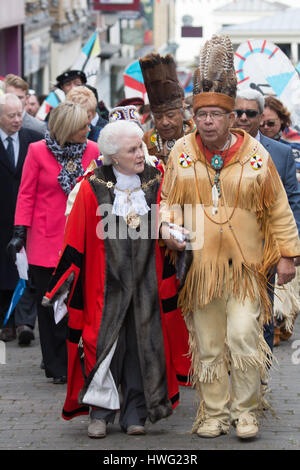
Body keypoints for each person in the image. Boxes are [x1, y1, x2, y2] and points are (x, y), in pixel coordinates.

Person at [159, 34, 300, 440]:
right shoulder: (180, 153)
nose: (207, 121)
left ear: (230, 118)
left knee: (242, 335)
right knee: (208, 344)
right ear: (194, 116)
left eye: (214, 115)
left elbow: (278, 207)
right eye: (200, 114)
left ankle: (246, 411)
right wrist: (167, 229)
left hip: (246, 267)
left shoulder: (256, 155)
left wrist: (289, 255)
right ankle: (213, 414)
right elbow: (167, 200)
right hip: (201, 268)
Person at [41, 120, 180, 438]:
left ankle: (136, 413)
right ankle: (100, 413)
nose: (140, 154)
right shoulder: (91, 188)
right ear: (113, 156)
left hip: (146, 283)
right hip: (105, 285)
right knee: (103, 346)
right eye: (132, 149)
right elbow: (74, 241)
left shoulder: (156, 183)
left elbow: (169, 219)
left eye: (140, 147)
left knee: (140, 346)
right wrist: (59, 285)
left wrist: (177, 235)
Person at [7, 101, 99, 382]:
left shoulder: (93, 150)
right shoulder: (38, 151)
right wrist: (20, 231)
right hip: (45, 240)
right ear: (68, 128)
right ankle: (55, 365)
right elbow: (26, 194)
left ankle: (78, 360)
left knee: (76, 304)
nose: (88, 128)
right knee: (48, 306)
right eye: (83, 125)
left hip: (81, 238)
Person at [234, 88, 300, 348]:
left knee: (262, 318)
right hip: (224, 251)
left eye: (249, 113)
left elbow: (294, 203)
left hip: (265, 251)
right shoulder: (215, 149)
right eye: (237, 112)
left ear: (260, 116)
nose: (242, 118)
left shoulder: (281, 154)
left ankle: (260, 379)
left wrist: (290, 252)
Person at [0, 93, 43, 343]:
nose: (18, 120)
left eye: (20, 115)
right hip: (2, 214)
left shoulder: (34, 140)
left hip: (28, 215)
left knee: (26, 267)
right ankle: (6, 322)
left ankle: (25, 322)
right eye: (11, 116)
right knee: (3, 268)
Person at [139, 53, 195, 166]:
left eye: (170, 116)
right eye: (158, 117)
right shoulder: (145, 141)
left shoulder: (196, 137)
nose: (164, 122)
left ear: (182, 112)